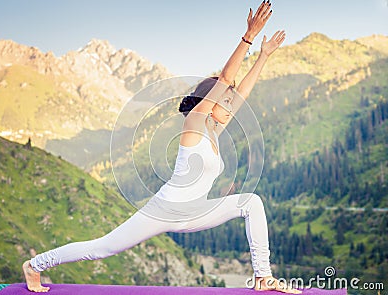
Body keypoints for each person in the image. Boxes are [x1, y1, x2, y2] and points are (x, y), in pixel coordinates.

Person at [23, 1, 301, 293]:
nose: (231, 106)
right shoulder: (194, 123)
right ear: (210, 101)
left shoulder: (216, 130)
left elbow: (240, 91)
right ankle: (35, 266)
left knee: (251, 202)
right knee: (102, 249)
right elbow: (228, 80)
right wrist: (248, 37)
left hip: (195, 212)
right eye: (225, 101)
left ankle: (263, 277)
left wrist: (264, 56)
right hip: (164, 210)